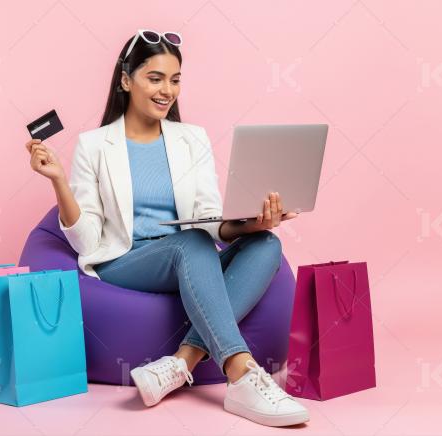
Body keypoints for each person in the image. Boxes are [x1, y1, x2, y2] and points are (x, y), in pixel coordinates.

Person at [25, 29, 309, 427]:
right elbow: (87, 241)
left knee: (266, 244)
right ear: (126, 80)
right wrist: (58, 180)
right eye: (155, 78)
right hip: (125, 260)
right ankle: (242, 374)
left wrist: (250, 223)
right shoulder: (95, 145)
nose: (167, 91)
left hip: (190, 255)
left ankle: (180, 362)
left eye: (175, 80)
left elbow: (209, 219)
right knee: (190, 243)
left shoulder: (192, 138)